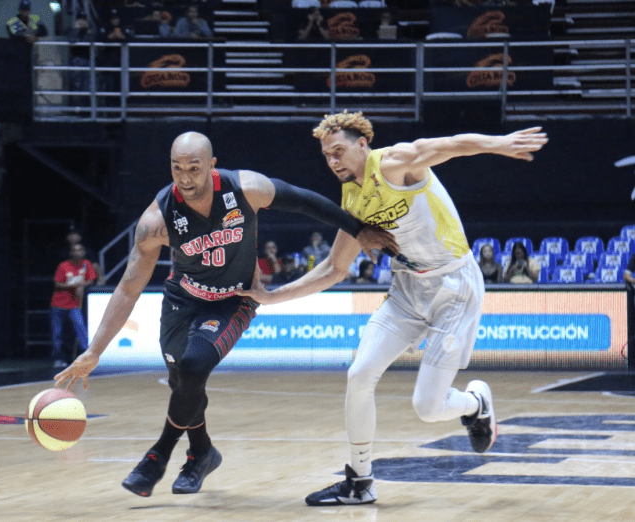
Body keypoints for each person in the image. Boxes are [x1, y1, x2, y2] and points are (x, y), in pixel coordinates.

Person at [54, 132, 397, 498]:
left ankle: (157, 456)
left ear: (212, 166)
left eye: (194, 168)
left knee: (194, 367)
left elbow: (303, 201)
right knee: (183, 385)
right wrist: (95, 350)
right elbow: (127, 287)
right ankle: (201, 453)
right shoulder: (157, 220)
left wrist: (358, 230)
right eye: (177, 168)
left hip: (235, 299)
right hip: (182, 301)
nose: (185, 178)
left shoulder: (245, 189)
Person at [238, 111, 548, 505]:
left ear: (362, 144)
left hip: (454, 288)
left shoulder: (392, 163)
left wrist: (499, 143)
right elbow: (335, 268)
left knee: (428, 408)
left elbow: (449, 145)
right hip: (406, 289)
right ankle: (360, 481)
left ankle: (476, 403)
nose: (332, 161)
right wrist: (271, 297)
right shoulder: (353, 198)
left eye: (338, 151)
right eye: (326, 155)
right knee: (359, 374)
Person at [51, 243, 97, 368]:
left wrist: (83, 285)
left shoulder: (86, 264)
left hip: (74, 304)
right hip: (59, 303)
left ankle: (86, 355)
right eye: (75, 250)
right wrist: (73, 286)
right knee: (57, 332)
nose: (77, 252)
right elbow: (57, 283)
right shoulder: (63, 266)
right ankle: (58, 358)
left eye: (80, 250)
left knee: (80, 326)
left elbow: (91, 279)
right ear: (71, 253)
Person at [68, 11, 95, 109]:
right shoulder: (72, 31)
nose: (82, 22)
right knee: (75, 84)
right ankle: (75, 108)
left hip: (88, 60)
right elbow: (72, 40)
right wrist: (76, 30)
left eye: (84, 20)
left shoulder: (91, 31)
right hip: (76, 60)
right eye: (80, 19)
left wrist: (83, 36)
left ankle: (86, 109)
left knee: (87, 86)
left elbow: (89, 40)